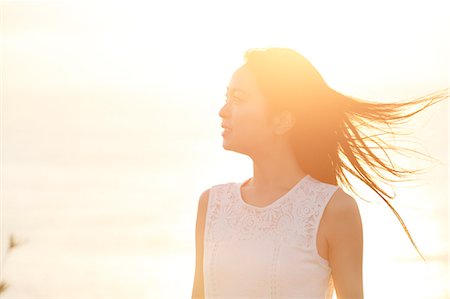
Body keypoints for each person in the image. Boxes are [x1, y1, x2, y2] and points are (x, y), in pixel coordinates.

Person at [191, 47, 448, 299]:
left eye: (238, 99)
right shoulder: (212, 205)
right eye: (227, 98)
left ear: (282, 120)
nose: (223, 111)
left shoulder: (333, 209)